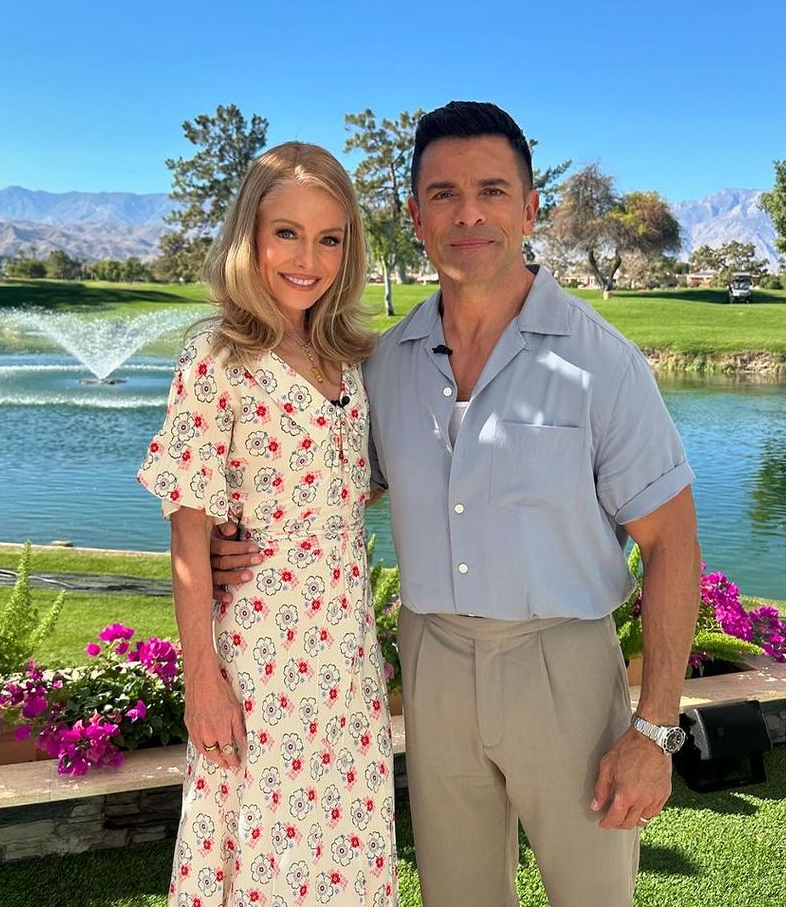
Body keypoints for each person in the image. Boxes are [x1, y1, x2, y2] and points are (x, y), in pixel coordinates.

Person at [212, 103, 702, 907]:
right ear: (413, 215)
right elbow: (331, 485)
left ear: (530, 206)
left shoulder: (602, 366)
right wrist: (227, 537)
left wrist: (653, 731)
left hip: (564, 672)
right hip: (432, 665)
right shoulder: (385, 366)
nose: (468, 213)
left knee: (592, 897)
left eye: (492, 190)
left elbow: (673, 546)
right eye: (442, 193)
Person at [137, 141, 397, 907]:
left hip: (344, 651)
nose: (307, 257)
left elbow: (351, 486)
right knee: (266, 850)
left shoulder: (344, 360)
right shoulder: (217, 360)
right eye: (286, 232)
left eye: (329, 237)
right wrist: (202, 683)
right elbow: (188, 540)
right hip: (262, 657)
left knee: (345, 845)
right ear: (249, 234)